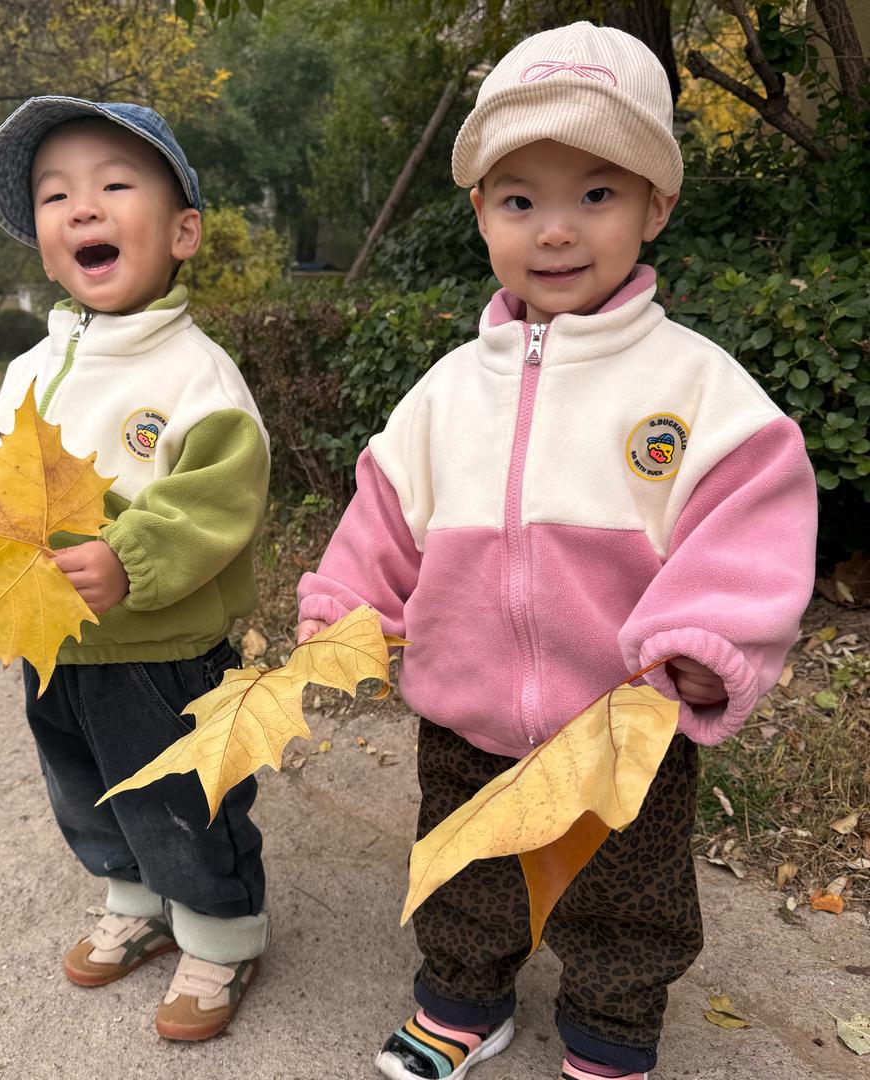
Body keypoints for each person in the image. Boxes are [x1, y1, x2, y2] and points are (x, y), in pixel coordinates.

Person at [296, 23, 816, 1080]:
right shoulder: (447, 392)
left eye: (597, 193)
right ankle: (460, 997)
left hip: (623, 717)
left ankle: (611, 1024)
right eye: (520, 198)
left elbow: (750, 519)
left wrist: (705, 636)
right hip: (467, 706)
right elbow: (385, 513)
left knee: (630, 887)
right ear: (481, 210)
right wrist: (346, 603)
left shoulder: (695, 386)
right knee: (465, 866)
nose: (557, 230)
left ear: (656, 204)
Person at [0, 96, 270, 1041]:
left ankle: (223, 932)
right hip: (56, 642)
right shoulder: (30, 369)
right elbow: (0, 481)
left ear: (183, 230)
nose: (83, 208)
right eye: (55, 194)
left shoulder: (196, 373)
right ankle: (133, 901)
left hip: (162, 646)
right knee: (81, 781)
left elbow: (218, 498)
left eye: (113, 184)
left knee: (180, 795)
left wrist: (133, 557)